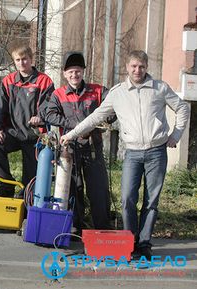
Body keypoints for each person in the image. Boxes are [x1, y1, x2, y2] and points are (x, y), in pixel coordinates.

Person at [60, 50, 190, 258]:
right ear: (127, 68)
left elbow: (182, 108)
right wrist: (72, 134)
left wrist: (175, 134)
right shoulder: (118, 93)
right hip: (132, 153)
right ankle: (130, 241)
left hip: (157, 151)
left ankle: (144, 244)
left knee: (151, 201)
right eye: (134, 66)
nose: (137, 70)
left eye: (142, 67)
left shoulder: (159, 88)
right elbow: (95, 117)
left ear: (147, 68)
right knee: (127, 198)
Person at [40, 51, 113, 233]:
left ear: (83, 71)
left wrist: (94, 124)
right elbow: (49, 114)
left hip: (93, 148)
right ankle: (76, 228)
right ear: (65, 74)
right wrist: (76, 126)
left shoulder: (98, 91)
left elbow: (112, 110)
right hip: (69, 150)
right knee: (73, 189)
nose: (74, 75)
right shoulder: (58, 94)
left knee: (98, 190)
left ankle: (102, 229)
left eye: (78, 71)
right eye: (71, 72)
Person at [0, 44, 55, 196]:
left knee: (30, 180)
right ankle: (6, 185)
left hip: (34, 135)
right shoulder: (8, 81)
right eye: (17, 60)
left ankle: (26, 196)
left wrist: (40, 117)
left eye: (24, 59)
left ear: (31, 59)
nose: (21, 63)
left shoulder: (44, 81)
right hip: (12, 132)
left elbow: (48, 105)